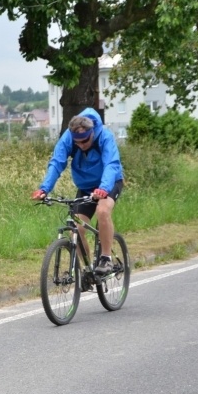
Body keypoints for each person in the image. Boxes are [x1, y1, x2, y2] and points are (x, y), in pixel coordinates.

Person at [31, 107, 124, 275]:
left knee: (102, 211)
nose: (81, 146)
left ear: (92, 133)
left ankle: (106, 258)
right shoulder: (69, 137)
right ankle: (87, 269)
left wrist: (103, 188)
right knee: (77, 226)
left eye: (85, 141)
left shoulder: (105, 136)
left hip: (109, 183)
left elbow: (111, 164)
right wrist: (44, 189)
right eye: (77, 143)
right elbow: (57, 162)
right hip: (86, 187)